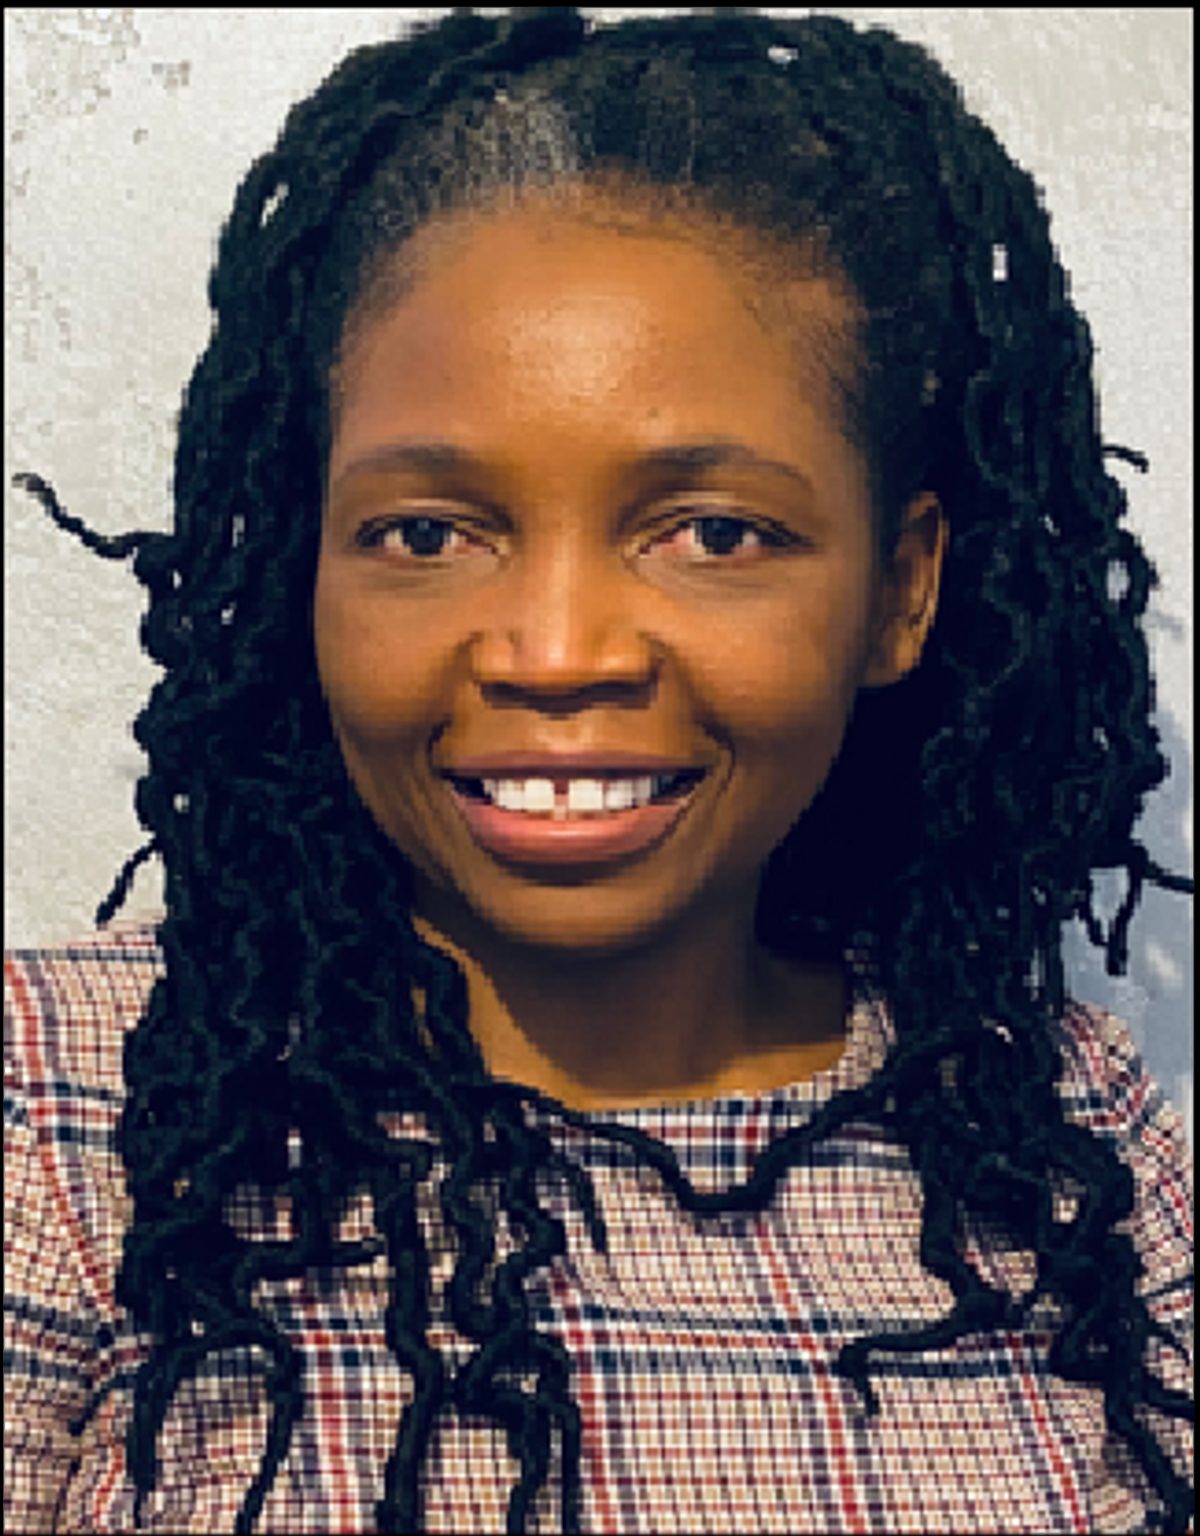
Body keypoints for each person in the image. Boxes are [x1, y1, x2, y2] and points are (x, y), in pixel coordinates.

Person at [4, 8, 1192, 1533]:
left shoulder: (1064, 1147)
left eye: (715, 533)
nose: (556, 652)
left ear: (903, 591)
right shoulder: (66, 1118)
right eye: (426, 532)